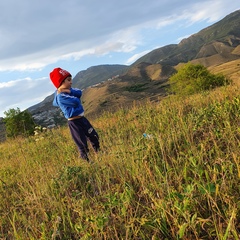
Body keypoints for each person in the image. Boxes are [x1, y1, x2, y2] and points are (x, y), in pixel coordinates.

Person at [50, 67, 100, 161]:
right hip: (74, 123)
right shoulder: (61, 97)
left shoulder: (68, 91)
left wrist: (69, 91)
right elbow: (76, 101)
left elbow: (79, 92)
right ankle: (85, 162)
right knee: (82, 144)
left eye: (71, 79)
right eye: (68, 80)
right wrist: (72, 95)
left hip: (82, 119)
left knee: (93, 136)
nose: (71, 82)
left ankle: (99, 154)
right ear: (60, 83)